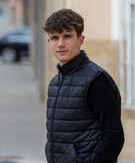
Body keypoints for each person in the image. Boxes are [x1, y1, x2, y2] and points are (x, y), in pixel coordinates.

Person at [43, 9, 124, 163]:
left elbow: (114, 136)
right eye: (55, 38)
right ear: (49, 42)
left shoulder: (96, 80)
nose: (60, 44)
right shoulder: (55, 82)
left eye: (67, 36)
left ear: (81, 39)